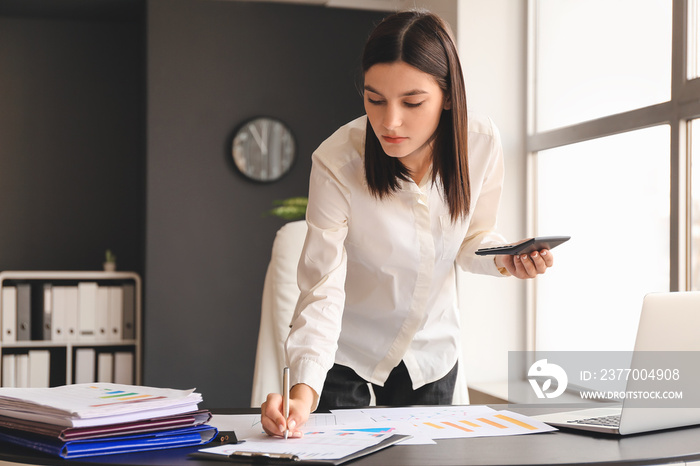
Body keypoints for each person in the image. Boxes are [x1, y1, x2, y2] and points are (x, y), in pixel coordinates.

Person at [261, 9, 554, 438]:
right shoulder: (337, 162)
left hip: (429, 350)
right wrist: (302, 393)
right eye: (374, 99)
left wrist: (506, 259)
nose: (389, 121)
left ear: (448, 95)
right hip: (345, 349)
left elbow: (472, 239)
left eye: (412, 102)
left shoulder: (482, 145)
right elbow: (321, 286)